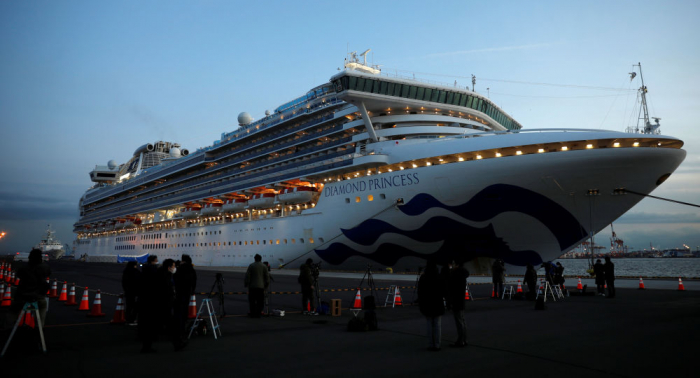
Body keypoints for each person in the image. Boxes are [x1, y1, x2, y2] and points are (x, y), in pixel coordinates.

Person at [14, 249, 51, 324]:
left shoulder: (23, 268)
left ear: (29, 257)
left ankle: (7, 325)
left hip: (22, 295)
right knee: (43, 306)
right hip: (38, 296)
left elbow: (18, 274)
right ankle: (40, 327)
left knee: (14, 309)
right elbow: (48, 273)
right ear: (40, 258)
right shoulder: (44, 267)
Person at [418, 260, 446, 351]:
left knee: (429, 324)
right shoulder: (439, 277)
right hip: (437, 303)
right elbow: (444, 290)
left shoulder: (423, 277)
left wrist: (421, 304)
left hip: (427, 303)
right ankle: (437, 344)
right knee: (437, 325)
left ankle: (431, 344)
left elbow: (420, 292)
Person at [138, 255, 160, 353]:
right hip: (151, 300)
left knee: (144, 322)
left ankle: (145, 344)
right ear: (153, 261)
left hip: (143, 300)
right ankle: (148, 346)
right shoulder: (153, 272)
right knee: (150, 323)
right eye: (156, 260)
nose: (157, 261)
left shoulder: (143, 271)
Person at [173, 254, 197, 339]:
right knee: (184, 310)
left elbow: (175, 278)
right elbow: (194, 281)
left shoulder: (180, 269)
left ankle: (178, 330)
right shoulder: (191, 269)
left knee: (178, 311)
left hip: (179, 293)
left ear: (183, 261)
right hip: (187, 293)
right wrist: (192, 291)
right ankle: (182, 329)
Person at [448, 259, 469, 347]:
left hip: (456, 300)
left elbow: (451, 287)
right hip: (461, 300)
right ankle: (464, 339)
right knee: (462, 320)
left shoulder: (456, 274)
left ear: (457, 265)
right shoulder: (463, 274)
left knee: (459, 321)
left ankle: (460, 341)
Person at [121, 261, 141, 325]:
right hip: (135, 291)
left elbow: (124, 282)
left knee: (129, 306)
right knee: (135, 306)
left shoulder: (126, 271)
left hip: (128, 291)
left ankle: (128, 319)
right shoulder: (136, 272)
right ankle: (132, 319)